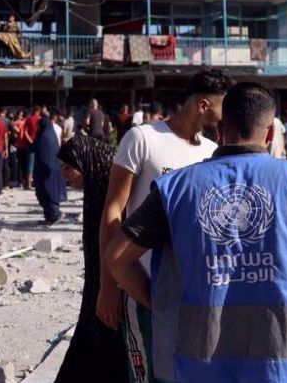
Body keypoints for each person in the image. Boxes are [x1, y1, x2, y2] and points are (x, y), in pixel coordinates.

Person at [105, 82, 287, 383]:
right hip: (282, 363)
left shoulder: (175, 188)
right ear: (272, 133)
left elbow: (117, 258)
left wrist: (161, 305)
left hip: (196, 365)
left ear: (221, 128)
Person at [99, 69, 234, 383]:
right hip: (143, 286)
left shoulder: (210, 152)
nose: (227, 117)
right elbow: (113, 211)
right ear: (203, 105)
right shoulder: (143, 138)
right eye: (223, 107)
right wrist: (107, 286)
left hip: (194, 292)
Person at [55, 134, 126, 381]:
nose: (65, 175)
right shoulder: (97, 185)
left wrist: (109, 287)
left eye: (69, 168)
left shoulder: (113, 188)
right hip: (98, 285)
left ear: (87, 162)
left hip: (114, 285)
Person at [32, 114, 67, 225]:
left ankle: (54, 215)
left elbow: (35, 148)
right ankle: (50, 217)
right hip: (53, 170)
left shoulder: (43, 137)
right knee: (49, 192)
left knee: (46, 193)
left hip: (45, 171)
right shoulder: (51, 135)